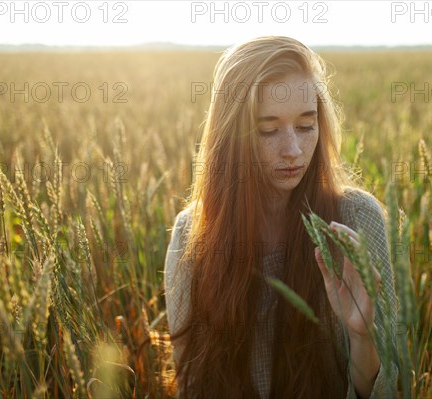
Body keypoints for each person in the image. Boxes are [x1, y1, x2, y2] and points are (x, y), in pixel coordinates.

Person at [164, 35, 398, 399]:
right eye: (268, 130)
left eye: (306, 126)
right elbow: (190, 386)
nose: (292, 150)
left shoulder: (357, 219)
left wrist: (361, 334)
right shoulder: (191, 234)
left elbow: (387, 392)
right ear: (231, 137)